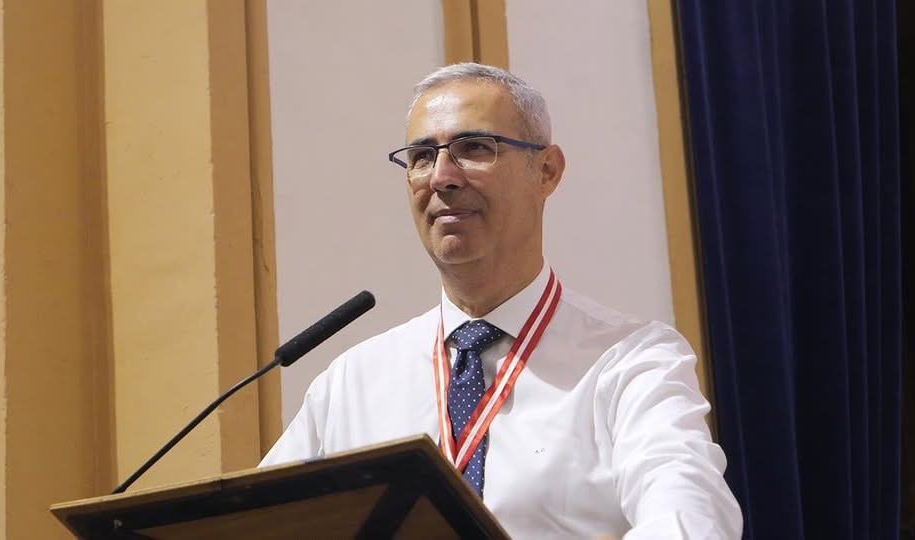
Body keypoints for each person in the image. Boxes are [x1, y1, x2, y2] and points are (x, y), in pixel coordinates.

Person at [260, 63, 742, 539]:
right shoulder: (353, 383)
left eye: (474, 148)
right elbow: (255, 522)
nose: (442, 177)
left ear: (547, 171)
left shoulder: (631, 362)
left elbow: (692, 521)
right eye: (422, 156)